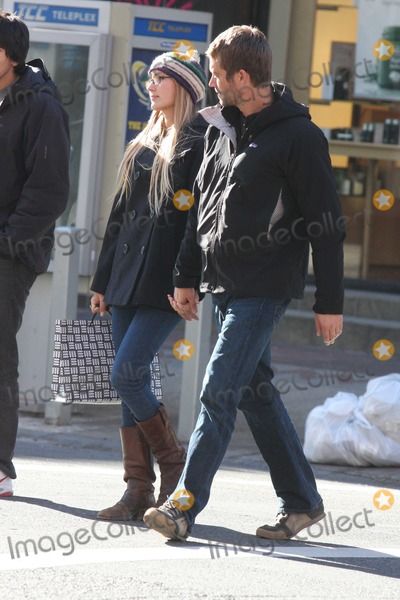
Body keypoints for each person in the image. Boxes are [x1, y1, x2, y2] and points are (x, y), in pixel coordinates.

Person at [144, 26, 345, 541]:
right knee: (254, 392)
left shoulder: (299, 136)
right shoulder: (221, 127)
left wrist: (330, 301)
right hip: (223, 284)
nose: (210, 82)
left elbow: (327, 222)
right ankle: (301, 501)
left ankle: (183, 506)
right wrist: (186, 276)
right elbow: (200, 209)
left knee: (219, 388)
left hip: (266, 284)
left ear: (241, 77)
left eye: (214, 73)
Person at [90, 51, 207, 521]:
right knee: (129, 379)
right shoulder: (143, 142)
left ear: (185, 87)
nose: (152, 84)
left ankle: (174, 464)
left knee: (126, 372)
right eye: (152, 77)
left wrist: (186, 280)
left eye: (162, 78)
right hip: (123, 279)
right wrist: (100, 282)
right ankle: (137, 488)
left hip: (163, 282)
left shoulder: (197, 140)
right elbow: (118, 218)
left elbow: (194, 222)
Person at [0, 11, 70, 497]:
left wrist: (7, 242)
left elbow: (49, 191)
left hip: (10, 254)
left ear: (6, 56)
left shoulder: (39, 105)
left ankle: (0, 466)